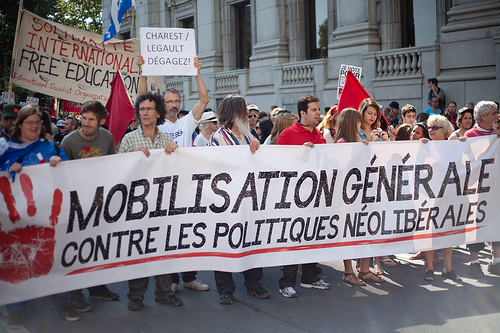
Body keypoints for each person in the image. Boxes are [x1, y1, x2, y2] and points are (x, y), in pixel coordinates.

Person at [0, 104, 79, 326]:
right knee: (20, 258)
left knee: (55, 258)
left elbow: (71, 172)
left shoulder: (51, 146)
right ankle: (17, 308)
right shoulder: (6, 148)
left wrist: (60, 163)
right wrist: (7, 167)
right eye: (30, 122)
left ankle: (63, 303)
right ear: (20, 124)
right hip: (18, 217)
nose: (34, 126)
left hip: (49, 213)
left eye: (38, 122)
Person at [137, 55, 210, 289]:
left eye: (177, 100)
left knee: (188, 233)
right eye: (169, 101)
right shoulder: (156, 124)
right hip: (164, 186)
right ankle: (172, 281)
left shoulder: (187, 122)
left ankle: (189, 278)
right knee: (168, 234)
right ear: (162, 105)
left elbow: (204, 99)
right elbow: (141, 100)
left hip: (188, 185)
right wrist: (143, 73)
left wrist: (197, 72)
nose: (174, 104)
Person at [119, 92, 183, 311]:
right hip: (137, 206)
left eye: (149, 109)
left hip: (162, 204)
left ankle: (164, 293)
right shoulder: (129, 139)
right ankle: (136, 296)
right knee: (138, 251)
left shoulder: (167, 140)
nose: (144, 113)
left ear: (158, 113)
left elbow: (176, 170)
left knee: (162, 249)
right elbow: (117, 172)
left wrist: (176, 152)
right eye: (142, 109)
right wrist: (130, 158)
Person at [209, 94, 270, 304]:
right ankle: (226, 289)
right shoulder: (218, 137)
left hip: (248, 199)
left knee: (252, 240)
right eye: (243, 110)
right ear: (233, 112)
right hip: (226, 201)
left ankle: (254, 283)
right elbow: (215, 168)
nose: (247, 114)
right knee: (225, 242)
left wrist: (256, 149)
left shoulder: (249, 135)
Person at [60, 101, 120, 311]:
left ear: (101, 121)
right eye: (83, 118)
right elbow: (61, 176)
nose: (85, 123)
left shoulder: (107, 137)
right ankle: (75, 295)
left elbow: (113, 164)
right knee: (76, 250)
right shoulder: (68, 142)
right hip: (76, 206)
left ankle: (98, 288)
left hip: (100, 203)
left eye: (91, 119)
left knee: (98, 248)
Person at [276, 95, 331, 297]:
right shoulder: (287, 135)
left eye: (318, 109)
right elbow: (277, 165)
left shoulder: (319, 135)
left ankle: (310, 277)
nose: (319, 113)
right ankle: (286, 283)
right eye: (314, 110)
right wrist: (301, 154)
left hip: (315, 197)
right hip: (293, 199)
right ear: (303, 113)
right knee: (293, 239)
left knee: (312, 237)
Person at [421, 115, 461, 282]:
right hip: (428, 196)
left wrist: (464, 144)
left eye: (435, 127)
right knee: (429, 232)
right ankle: (429, 268)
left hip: (448, 195)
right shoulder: (424, 146)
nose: (431, 130)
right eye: (429, 127)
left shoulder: (453, 147)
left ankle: (448, 268)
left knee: (447, 231)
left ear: (445, 131)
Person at [463, 101, 500, 278]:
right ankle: (474, 262)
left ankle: (496, 261)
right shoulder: (471, 135)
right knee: (476, 224)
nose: (497, 116)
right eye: (494, 113)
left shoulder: (497, 134)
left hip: (496, 187)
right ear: (483, 116)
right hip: (477, 188)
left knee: (496, 221)